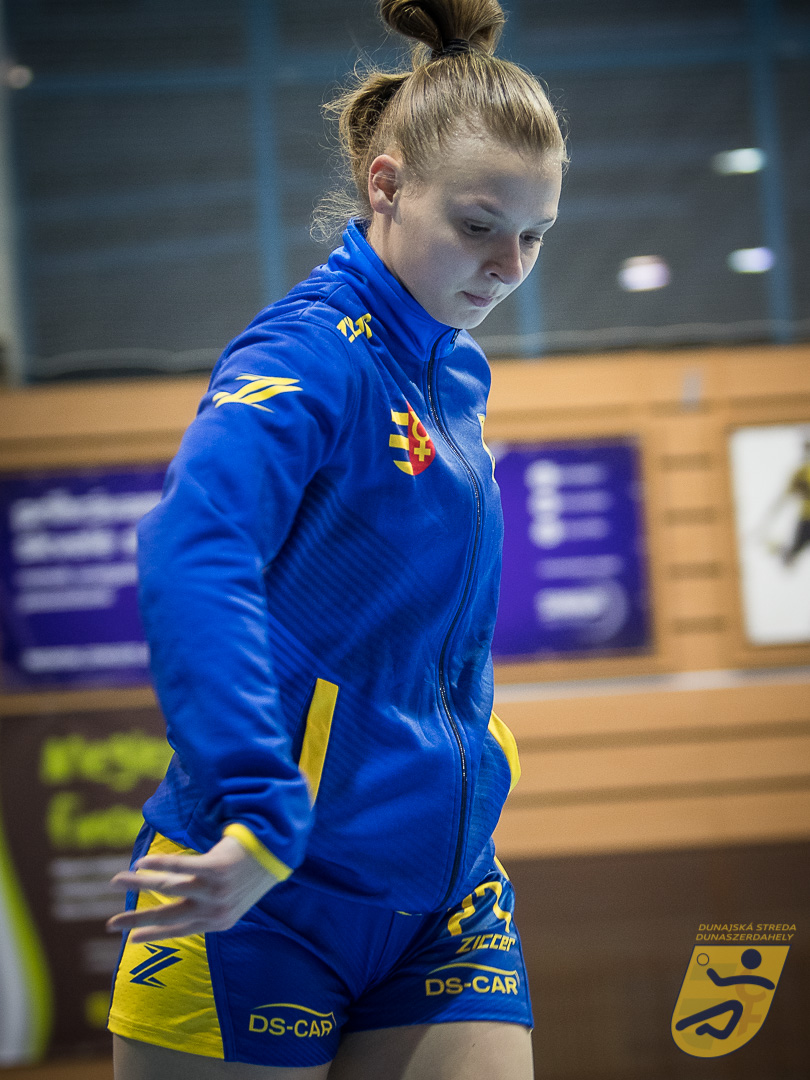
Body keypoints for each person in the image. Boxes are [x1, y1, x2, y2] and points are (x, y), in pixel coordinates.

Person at [105, 1, 565, 1076]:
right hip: (260, 889)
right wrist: (262, 805)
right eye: (480, 225)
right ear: (387, 186)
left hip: (442, 897)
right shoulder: (309, 354)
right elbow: (192, 552)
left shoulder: (451, 367)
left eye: (536, 234)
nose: (509, 264)